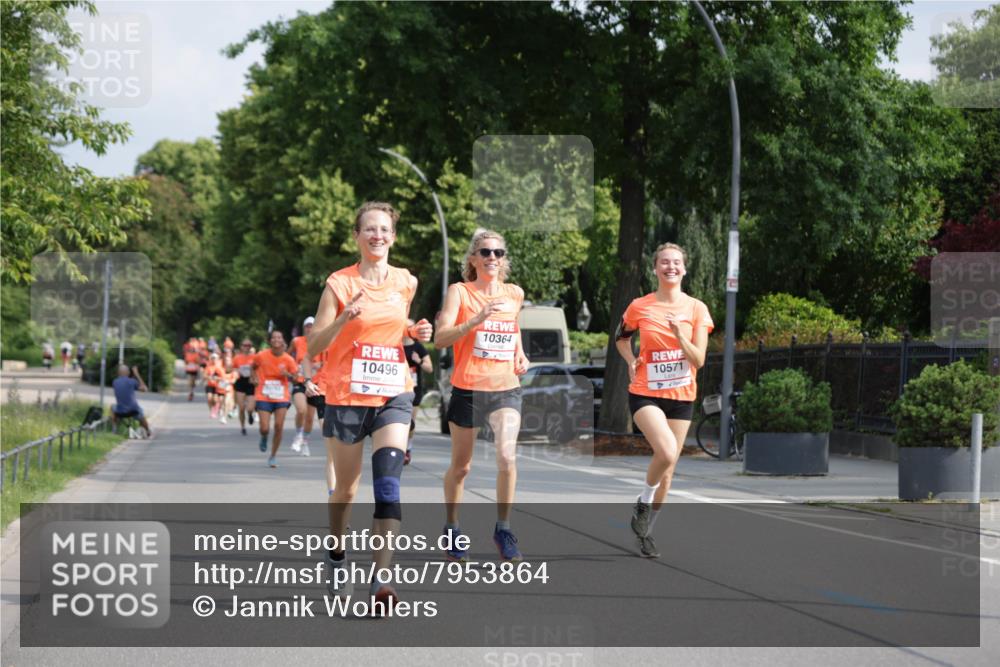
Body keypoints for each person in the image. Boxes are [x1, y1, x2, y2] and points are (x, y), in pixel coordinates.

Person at [307, 201, 432, 610]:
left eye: (384, 230)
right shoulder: (339, 284)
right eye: (369, 230)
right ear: (357, 236)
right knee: (345, 490)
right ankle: (337, 556)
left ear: (393, 236)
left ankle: (382, 579)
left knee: (388, 485)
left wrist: (416, 329)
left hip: (393, 391)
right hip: (345, 396)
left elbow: (396, 329)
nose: (377, 236)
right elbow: (315, 345)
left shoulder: (405, 281)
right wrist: (344, 318)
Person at [434, 229, 529, 562]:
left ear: (504, 260)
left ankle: (503, 529)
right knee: (461, 468)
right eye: (486, 252)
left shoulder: (514, 293)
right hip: (469, 387)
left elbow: (512, 328)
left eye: (498, 253)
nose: (492, 258)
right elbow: (441, 338)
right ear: (473, 258)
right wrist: (475, 320)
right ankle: (452, 526)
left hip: (506, 388)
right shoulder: (459, 292)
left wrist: (520, 353)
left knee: (507, 457)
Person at [616, 242, 713, 558]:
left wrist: (680, 334)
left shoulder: (697, 309)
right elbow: (621, 337)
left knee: (668, 469)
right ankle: (643, 500)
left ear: (685, 269)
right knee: (667, 451)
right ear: (655, 268)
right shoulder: (640, 306)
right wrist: (630, 358)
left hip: (681, 396)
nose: (671, 267)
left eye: (677, 262)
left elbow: (698, 359)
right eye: (665, 263)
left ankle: (646, 532)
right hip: (645, 392)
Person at [251, 330, 299, 468]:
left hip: (281, 396)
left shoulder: (288, 359)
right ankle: (264, 437)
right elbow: (253, 367)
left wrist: (288, 374)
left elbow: (296, 379)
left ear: (283, 340)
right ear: (270, 341)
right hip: (263, 395)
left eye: (279, 337)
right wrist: (253, 377)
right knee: (264, 428)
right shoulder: (261, 355)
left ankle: (273, 456)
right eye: (274, 337)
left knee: (279, 426)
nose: (277, 339)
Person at [289, 316, 320, 457]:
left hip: (316, 383)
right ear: (304, 328)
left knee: (309, 417)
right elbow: (287, 355)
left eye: (312, 326)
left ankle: (305, 442)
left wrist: (320, 366)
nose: (309, 328)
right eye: (307, 326)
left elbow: (329, 359)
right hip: (300, 381)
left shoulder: (322, 341)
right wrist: (292, 368)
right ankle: (298, 435)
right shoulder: (297, 341)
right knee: (301, 410)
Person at [402, 322, 432, 465]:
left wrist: (418, 361)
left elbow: (429, 368)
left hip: (414, 389)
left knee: (410, 422)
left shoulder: (418, 347)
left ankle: (408, 448)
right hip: (398, 388)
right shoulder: (395, 345)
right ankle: (398, 448)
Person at [111, 364, 152, 437]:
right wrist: (137, 374)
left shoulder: (115, 382)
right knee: (141, 412)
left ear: (118, 373)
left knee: (112, 407)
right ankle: (147, 430)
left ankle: (114, 429)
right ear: (128, 372)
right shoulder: (132, 381)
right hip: (133, 410)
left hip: (120, 411)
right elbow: (145, 389)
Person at [232, 338, 256, 436]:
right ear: (241, 347)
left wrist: (254, 376)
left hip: (251, 382)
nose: (246, 347)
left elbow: (259, 369)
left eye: (248, 345)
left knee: (250, 408)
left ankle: (250, 414)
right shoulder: (237, 358)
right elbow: (232, 368)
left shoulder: (255, 357)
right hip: (240, 381)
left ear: (251, 347)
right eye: (244, 345)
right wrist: (236, 372)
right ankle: (243, 427)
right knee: (241, 407)